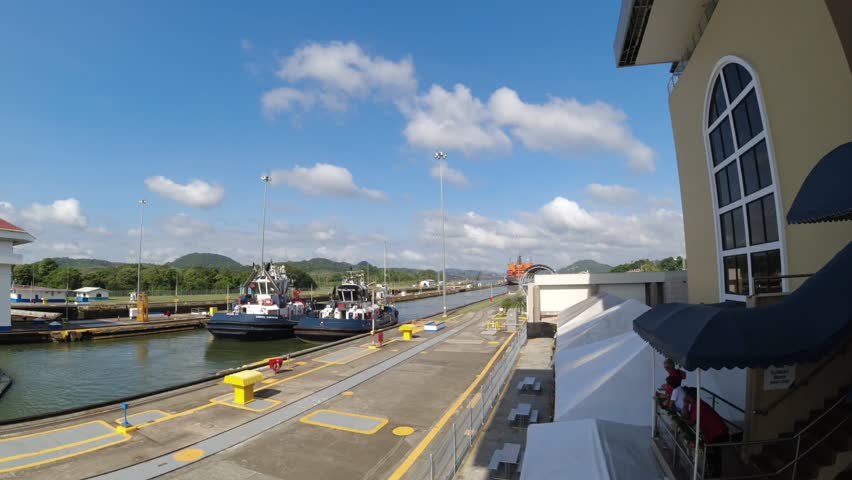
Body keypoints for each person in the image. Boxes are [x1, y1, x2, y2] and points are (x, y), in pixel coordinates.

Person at [682, 387, 729, 477]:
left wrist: (681, 420)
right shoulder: (695, 404)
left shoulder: (699, 405)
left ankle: (714, 475)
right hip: (713, 434)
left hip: (718, 433)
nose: (683, 396)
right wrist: (685, 405)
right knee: (711, 456)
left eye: (685, 394)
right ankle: (712, 474)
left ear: (688, 395)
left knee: (713, 456)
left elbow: (691, 423)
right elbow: (687, 417)